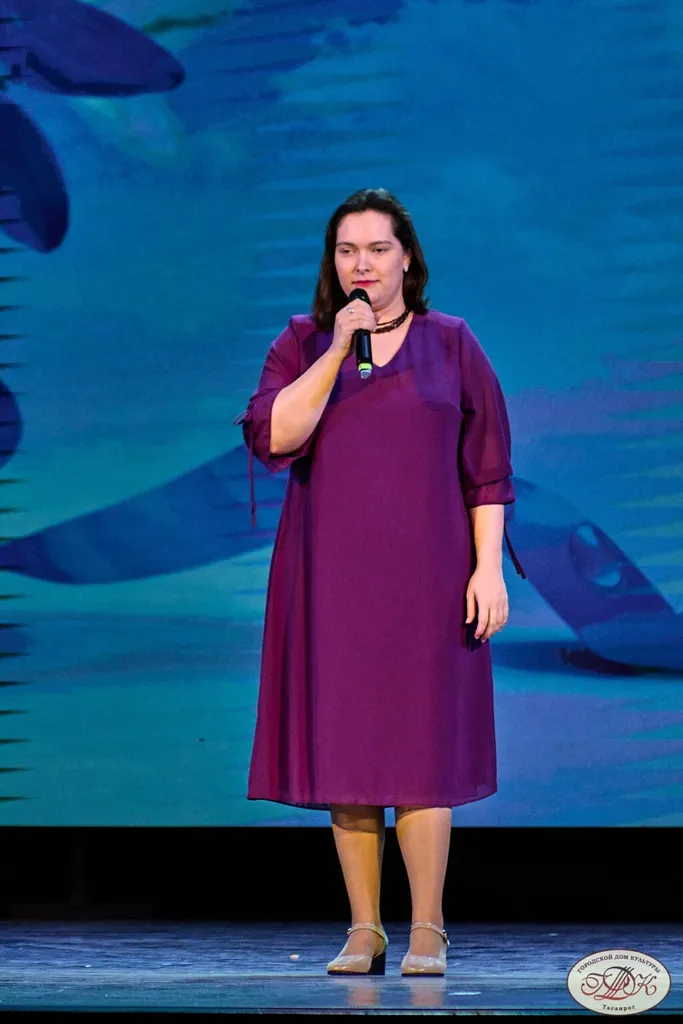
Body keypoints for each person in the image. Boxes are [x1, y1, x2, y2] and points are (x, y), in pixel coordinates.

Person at [236, 188, 525, 977]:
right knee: (350, 748)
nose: (360, 264)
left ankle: (427, 927)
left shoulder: (452, 342)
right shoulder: (302, 342)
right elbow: (275, 435)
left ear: (406, 259)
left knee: (421, 751)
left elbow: (487, 471)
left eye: (376, 249)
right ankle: (364, 928)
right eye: (346, 251)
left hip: (429, 580)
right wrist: (336, 350)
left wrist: (487, 569)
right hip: (330, 581)